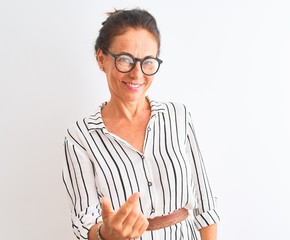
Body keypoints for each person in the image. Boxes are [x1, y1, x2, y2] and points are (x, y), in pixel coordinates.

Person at [62, 8, 220, 240]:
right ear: (101, 59)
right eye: (125, 59)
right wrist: (106, 232)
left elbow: (205, 205)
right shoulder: (80, 137)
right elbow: (83, 223)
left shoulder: (178, 116)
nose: (137, 74)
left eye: (148, 62)